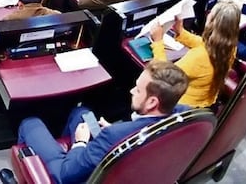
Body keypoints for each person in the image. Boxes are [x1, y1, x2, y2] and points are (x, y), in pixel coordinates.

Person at [12, 60, 188, 184]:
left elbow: (66, 176)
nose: (132, 90)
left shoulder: (111, 136)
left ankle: (26, 175)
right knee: (81, 112)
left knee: (30, 123)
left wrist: (80, 143)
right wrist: (118, 130)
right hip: (126, 168)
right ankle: (73, 156)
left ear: (152, 102)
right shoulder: (183, 117)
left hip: (69, 175)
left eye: (138, 89)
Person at [151, 0, 240, 108]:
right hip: (207, 104)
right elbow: (204, 44)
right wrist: (181, 32)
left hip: (182, 108)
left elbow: (164, 75)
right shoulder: (230, 47)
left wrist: (157, 41)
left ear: (212, 22)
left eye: (210, 14)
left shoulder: (199, 57)